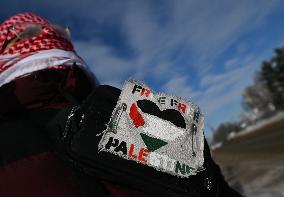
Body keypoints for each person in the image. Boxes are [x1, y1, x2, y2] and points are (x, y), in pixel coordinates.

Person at [0, 13, 243, 197]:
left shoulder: (130, 111)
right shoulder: (132, 111)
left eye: (57, 31)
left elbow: (210, 180)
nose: (47, 33)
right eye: (30, 32)